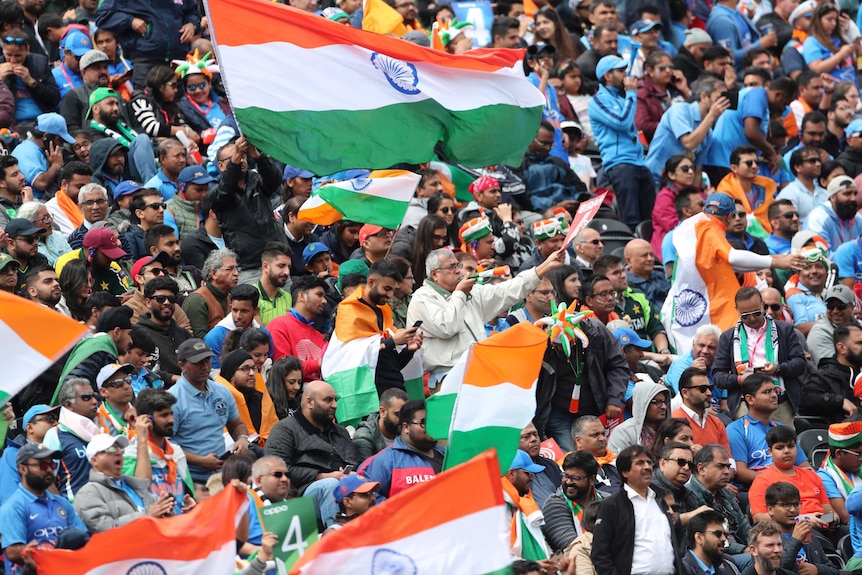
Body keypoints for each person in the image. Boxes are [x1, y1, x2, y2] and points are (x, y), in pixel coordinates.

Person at [662, 193, 803, 357]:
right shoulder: (709, 228)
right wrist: (774, 261)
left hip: (688, 301)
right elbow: (732, 257)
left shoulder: (696, 225)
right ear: (729, 217)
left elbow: (732, 262)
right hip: (702, 303)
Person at [406, 246, 565, 389]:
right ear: (434, 274)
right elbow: (447, 327)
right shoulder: (422, 298)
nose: (458, 271)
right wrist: (460, 294)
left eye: (458, 266)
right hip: (447, 378)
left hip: (478, 373)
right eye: (451, 267)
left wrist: (545, 267)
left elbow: (508, 290)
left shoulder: (471, 292)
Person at [264, 380, 359, 527]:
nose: (335, 405)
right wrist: (321, 476)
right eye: (328, 400)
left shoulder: (341, 431)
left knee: (367, 482)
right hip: (301, 495)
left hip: (345, 486)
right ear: (309, 402)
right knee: (330, 485)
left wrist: (353, 475)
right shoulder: (284, 430)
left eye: (335, 400)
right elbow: (275, 472)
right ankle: (337, 539)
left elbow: (355, 461)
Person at [712, 286, 807, 424]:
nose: (751, 318)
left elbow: (800, 363)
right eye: (745, 315)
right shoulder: (728, 337)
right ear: (736, 310)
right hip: (745, 403)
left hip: (780, 402)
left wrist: (777, 368)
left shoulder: (784, 330)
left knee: (784, 443)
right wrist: (741, 379)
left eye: (756, 313)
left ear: (762, 305)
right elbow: (718, 376)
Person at [168, 339, 249, 497]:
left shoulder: (222, 391)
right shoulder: (173, 399)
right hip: (189, 478)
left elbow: (236, 424)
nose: (205, 367)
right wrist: (200, 460)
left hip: (222, 473)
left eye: (207, 360)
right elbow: (165, 445)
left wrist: (242, 438)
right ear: (181, 365)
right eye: (198, 362)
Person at [331, 260, 421, 394]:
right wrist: (394, 341)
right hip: (367, 395)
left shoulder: (384, 309)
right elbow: (353, 356)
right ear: (371, 282)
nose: (390, 295)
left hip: (394, 388)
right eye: (387, 289)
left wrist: (409, 350)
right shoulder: (349, 309)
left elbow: (389, 362)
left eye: (393, 290)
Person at [0, 442, 88, 575]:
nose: (48, 469)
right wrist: (42, 553)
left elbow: (83, 537)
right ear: (22, 469)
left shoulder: (62, 503)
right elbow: (12, 552)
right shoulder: (12, 507)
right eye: (42, 465)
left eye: (52, 465)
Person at [590, 444, 678, 575]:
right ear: (625, 472)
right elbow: (599, 554)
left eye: (649, 462)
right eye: (640, 463)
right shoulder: (611, 505)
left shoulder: (660, 501)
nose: (647, 467)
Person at [588, 55, 654, 227]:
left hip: (638, 163)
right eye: (620, 70)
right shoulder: (597, 100)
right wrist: (632, 93)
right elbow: (621, 123)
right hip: (620, 165)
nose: (625, 73)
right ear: (607, 75)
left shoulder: (621, 98)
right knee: (631, 218)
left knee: (650, 219)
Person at [212, 137, 287, 285]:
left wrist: (259, 157)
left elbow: (275, 180)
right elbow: (224, 192)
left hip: (275, 260)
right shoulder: (217, 192)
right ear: (221, 166)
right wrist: (235, 159)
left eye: (243, 156)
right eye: (234, 157)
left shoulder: (257, 180)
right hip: (248, 267)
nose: (241, 160)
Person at [73, 432, 173, 533]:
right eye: (110, 449)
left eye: (120, 449)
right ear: (94, 461)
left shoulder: (136, 486)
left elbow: (167, 520)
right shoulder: (88, 493)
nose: (118, 453)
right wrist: (147, 517)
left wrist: (169, 510)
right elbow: (105, 530)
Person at [726, 375, 810, 489]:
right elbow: (740, 472)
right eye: (767, 392)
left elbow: (804, 466)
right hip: (757, 489)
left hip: (790, 487)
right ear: (750, 399)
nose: (774, 395)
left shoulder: (782, 429)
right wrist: (776, 481)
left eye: (775, 391)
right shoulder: (736, 429)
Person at [122, 389, 194, 516]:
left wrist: (190, 502)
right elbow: (142, 486)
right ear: (146, 419)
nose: (171, 420)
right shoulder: (129, 454)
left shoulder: (175, 452)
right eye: (164, 415)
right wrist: (142, 440)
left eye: (171, 414)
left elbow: (187, 491)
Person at [358, 399, 445, 498]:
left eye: (434, 422)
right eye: (424, 422)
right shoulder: (384, 462)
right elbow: (366, 499)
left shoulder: (449, 455)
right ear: (406, 427)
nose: (431, 427)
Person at [749, 426, 833, 523]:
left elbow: (829, 512)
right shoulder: (763, 480)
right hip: (790, 530)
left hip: (823, 525)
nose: (786, 451)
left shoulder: (812, 476)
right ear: (770, 452)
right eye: (780, 448)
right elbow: (759, 518)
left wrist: (832, 519)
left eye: (791, 446)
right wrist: (805, 519)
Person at [687, 444, 753, 566]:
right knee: (757, 560)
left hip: (740, 550)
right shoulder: (689, 495)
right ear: (701, 469)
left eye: (728, 467)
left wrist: (758, 543)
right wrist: (742, 549)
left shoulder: (726, 494)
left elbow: (745, 527)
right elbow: (707, 539)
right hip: (715, 555)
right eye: (720, 467)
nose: (727, 472)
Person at [42, 378, 101, 501]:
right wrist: (64, 510)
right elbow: (46, 477)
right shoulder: (55, 435)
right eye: (86, 397)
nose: (95, 401)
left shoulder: (101, 430)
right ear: (69, 405)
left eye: (94, 396)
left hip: (104, 505)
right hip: (75, 510)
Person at [765, 481, 839, 575]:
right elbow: (775, 570)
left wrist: (817, 570)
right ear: (770, 509)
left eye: (796, 504)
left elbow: (834, 571)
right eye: (786, 505)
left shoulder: (808, 535)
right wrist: (795, 540)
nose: (793, 510)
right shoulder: (766, 539)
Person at [58, 305, 133, 391]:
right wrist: (96, 402)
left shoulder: (101, 348)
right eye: (129, 334)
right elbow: (72, 387)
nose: (131, 341)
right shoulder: (98, 349)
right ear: (117, 332)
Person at [134, 277, 191, 385]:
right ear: (148, 302)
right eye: (160, 298)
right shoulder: (138, 334)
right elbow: (141, 369)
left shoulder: (183, 334)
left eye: (171, 299)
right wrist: (174, 378)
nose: (167, 302)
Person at [268, 275, 327, 380]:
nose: (324, 301)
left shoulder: (321, 337)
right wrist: (319, 363)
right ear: (302, 296)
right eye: (319, 295)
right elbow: (282, 368)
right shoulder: (279, 325)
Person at [542, 450, 601, 553]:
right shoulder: (554, 505)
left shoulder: (606, 500)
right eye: (566, 476)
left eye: (576, 478)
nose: (569, 482)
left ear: (592, 479)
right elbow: (572, 546)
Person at [802, 323, 862, 423]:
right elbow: (807, 399)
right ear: (842, 348)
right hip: (837, 433)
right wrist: (840, 401)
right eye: (860, 343)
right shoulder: (824, 375)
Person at [0, 404, 58, 506]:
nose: (56, 423)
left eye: (58, 419)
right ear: (30, 428)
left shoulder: (59, 452)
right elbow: (8, 498)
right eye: (50, 419)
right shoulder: (12, 454)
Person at [501, 448, 551, 561]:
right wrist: (534, 565)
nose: (532, 478)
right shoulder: (499, 506)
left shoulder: (522, 502)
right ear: (511, 474)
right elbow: (497, 554)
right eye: (527, 473)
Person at [203, 284, 264, 369]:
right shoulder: (214, 337)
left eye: (244, 311)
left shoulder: (264, 334)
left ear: (256, 311)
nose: (238, 316)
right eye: (235, 310)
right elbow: (213, 373)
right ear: (230, 307)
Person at [672, 367, 732, 451]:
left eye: (710, 388)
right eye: (702, 389)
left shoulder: (717, 423)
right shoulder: (673, 421)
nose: (709, 393)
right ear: (685, 393)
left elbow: (728, 459)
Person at [182, 248, 238, 338]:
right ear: (214, 273)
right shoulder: (197, 300)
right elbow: (199, 340)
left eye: (236, 268)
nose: (236, 273)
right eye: (230, 269)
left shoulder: (229, 297)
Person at [816, 422, 862, 527]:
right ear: (839, 453)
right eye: (858, 454)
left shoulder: (858, 469)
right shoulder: (825, 477)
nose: (861, 459)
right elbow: (846, 517)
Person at [607, 379, 670, 453]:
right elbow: (615, 462)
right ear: (643, 403)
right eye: (657, 402)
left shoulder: (669, 431)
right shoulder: (624, 432)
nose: (664, 407)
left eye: (665, 402)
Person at [806, 285, 859, 366]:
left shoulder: (859, 325)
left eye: (841, 306)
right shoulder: (819, 332)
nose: (835, 311)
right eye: (830, 306)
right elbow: (830, 367)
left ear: (851, 308)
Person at [651, 441, 702, 525]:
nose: (686, 467)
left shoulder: (688, 495)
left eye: (690, 465)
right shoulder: (649, 489)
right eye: (681, 462)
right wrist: (688, 517)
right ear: (663, 464)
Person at [352, 387, 408, 462]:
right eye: (398, 414)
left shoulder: (406, 431)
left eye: (406, 415)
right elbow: (367, 471)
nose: (403, 420)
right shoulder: (364, 437)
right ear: (383, 412)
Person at [806, 176, 862, 250]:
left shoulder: (858, 218)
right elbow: (821, 254)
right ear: (833, 197)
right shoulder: (819, 218)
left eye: (855, 194)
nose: (853, 198)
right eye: (847, 194)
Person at [571, 416, 621, 497]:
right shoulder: (571, 468)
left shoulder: (618, 460)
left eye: (603, 434)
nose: (602, 438)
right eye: (595, 435)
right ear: (578, 441)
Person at [519, 422, 563, 508]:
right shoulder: (511, 472)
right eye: (526, 437)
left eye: (535, 434)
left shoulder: (550, 464)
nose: (533, 439)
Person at [683, 509, 736, 575]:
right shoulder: (681, 571)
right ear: (699, 538)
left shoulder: (725, 570)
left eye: (724, 534)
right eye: (718, 534)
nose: (724, 539)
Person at [255, 242, 292, 327]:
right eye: (281, 266)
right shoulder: (251, 297)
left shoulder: (287, 297)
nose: (287, 272)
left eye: (289, 267)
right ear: (265, 266)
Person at [94, 363, 135, 437]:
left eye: (128, 380)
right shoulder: (97, 420)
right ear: (103, 392)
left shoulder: (142, 412)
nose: (126, 386)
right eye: (118, 383)